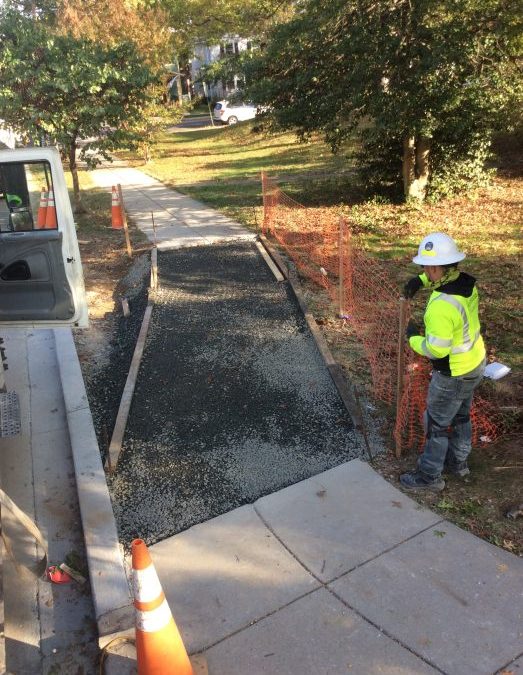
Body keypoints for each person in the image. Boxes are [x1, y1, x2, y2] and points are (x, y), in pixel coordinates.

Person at [400, 232, 486, 491]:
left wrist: (413, 338)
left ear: (436, 267)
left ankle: (429, 477)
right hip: (474, 363)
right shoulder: (466, 283)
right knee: (461, 415)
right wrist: (421, 280)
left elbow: (436, 350)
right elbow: (441, 274)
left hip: (452, 373)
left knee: (436, 424)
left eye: (426, 267)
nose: (424, 270)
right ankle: (459, 463)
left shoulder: (441, 307)